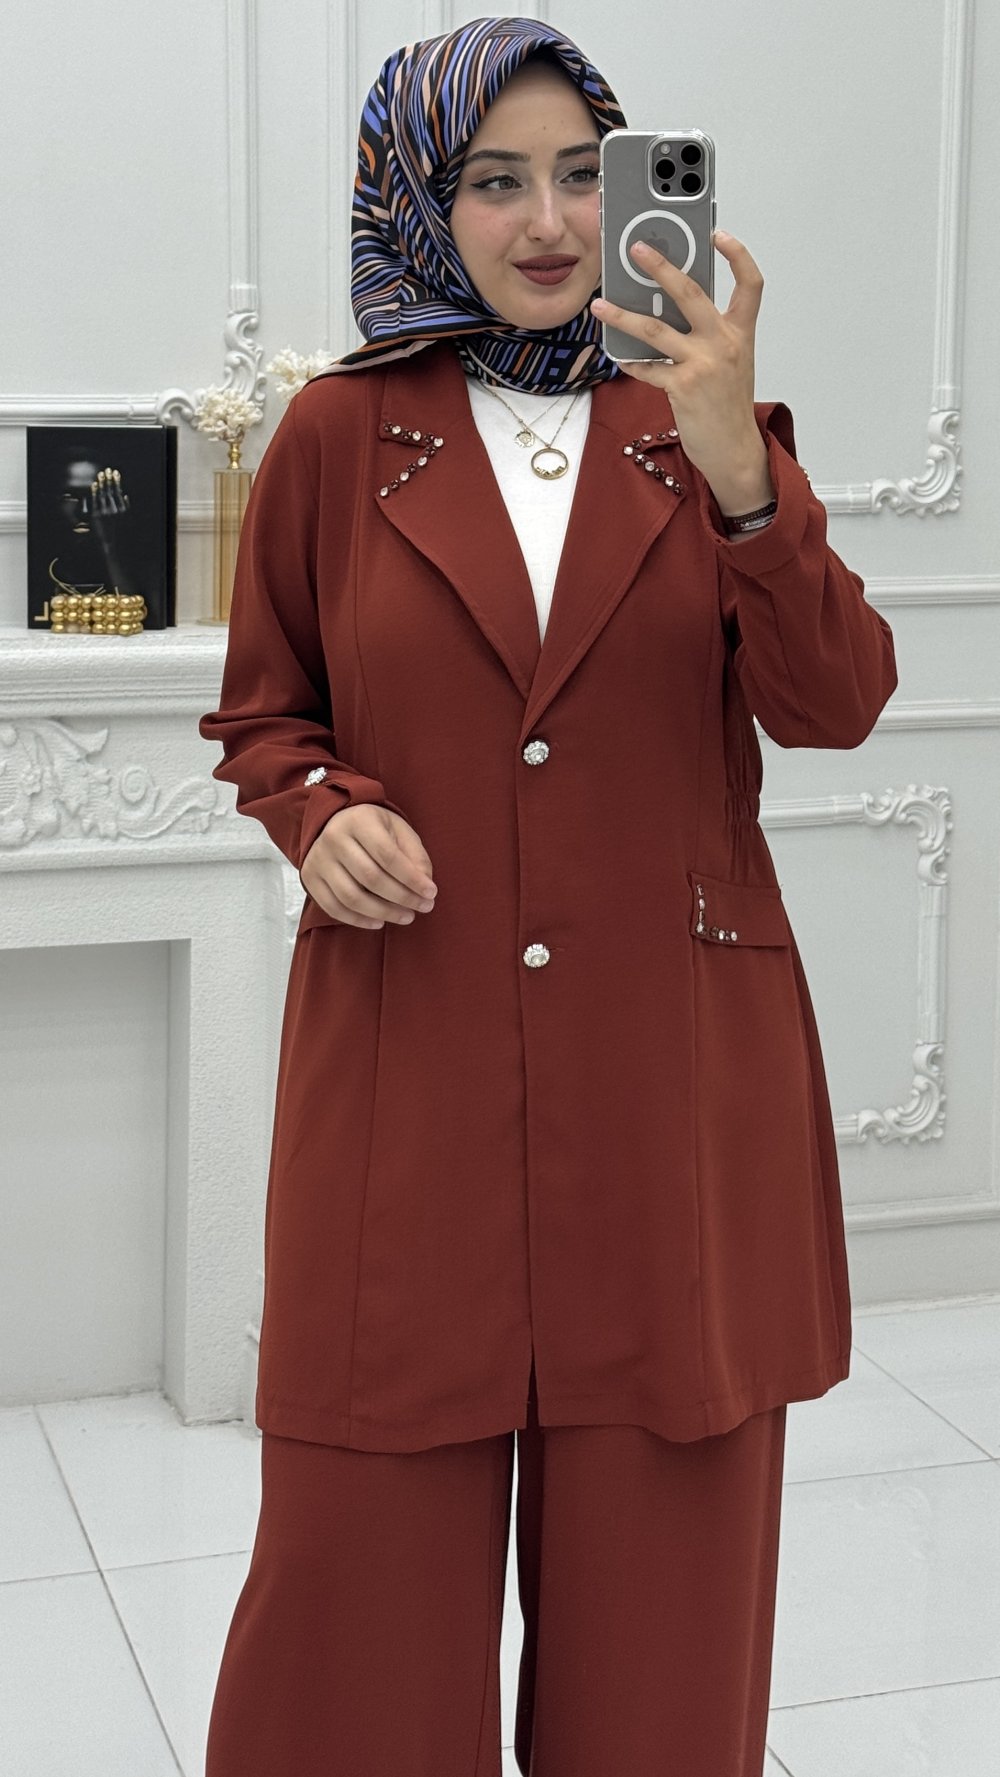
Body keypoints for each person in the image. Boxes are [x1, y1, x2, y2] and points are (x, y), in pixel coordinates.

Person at [198, 17, 897, 1777]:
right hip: (411, 1067)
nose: (549, 221)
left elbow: (836, 703)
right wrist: (315, 811)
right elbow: (267, 713)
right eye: (495, 180)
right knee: (354, 1618)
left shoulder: (711, 430)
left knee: (663, 1647)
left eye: (584, 175)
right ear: (421, 205)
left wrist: (743, 471)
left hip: (671, 1093)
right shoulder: (335, 438)